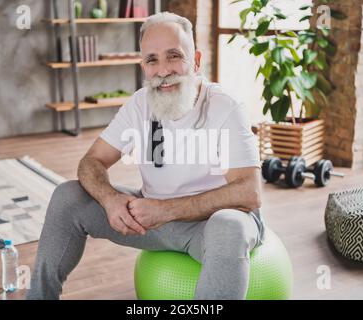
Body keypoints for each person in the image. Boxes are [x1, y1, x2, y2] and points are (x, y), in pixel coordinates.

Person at [26, 11, 265, 300]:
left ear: (196, 61)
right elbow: (92, 162)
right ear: (144, 66)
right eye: (152, 60)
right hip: (153, 222)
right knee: (67, 196)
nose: (163, 70)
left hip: (210, 227)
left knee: (229, 227)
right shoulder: (140, 104)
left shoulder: (225, 107)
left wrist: (166, 209)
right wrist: (110, 199)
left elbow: (249, 192)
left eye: (174, 56)